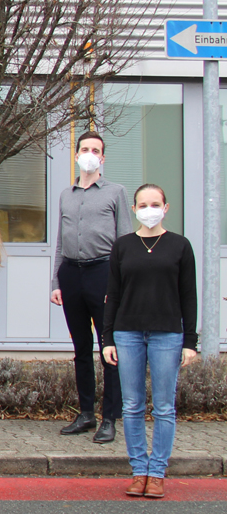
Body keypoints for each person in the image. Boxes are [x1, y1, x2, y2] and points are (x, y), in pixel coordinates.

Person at [102, 183, 198, 500]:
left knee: (165, 408)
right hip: (127, 332)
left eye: (155, 203)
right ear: (134, 209)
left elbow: (189, 297)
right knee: (131, 406)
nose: (149, 209)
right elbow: (112, 295)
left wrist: (190, 341)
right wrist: (107, 338)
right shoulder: (123, 246)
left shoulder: (180, 246)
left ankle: (157, 473)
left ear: (166, 207)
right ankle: (138, 471)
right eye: (143, 205)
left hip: (167, 333)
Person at [50, 130, 129, 443]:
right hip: (71, 273)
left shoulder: (116, 192)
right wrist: (56, 280)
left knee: (108, 347)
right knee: (81, 348)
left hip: (103, 272)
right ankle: (86, 412)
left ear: (103, 158)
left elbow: (125, 242)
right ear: (77, 154)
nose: (89, 154)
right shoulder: (66, 194)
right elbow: (59, 240)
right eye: (85, 148)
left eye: (95, 150)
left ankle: (109, 417)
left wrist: (120, 284)